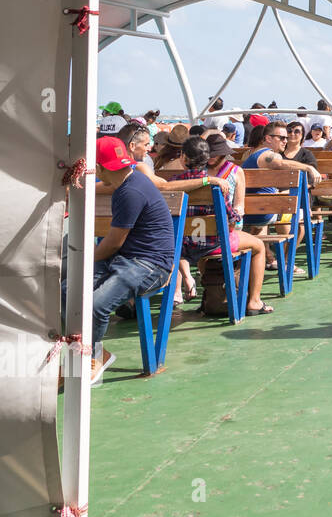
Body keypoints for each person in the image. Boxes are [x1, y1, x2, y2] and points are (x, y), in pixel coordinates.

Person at [82, 137, 177, 384]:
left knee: (95, 306)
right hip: (128, 259)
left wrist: (85, 261)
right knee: (68, 292)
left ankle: (92, 358)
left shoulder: (130, 191)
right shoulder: (128, 182)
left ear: (99, 168)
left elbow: (114, 242)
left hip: (151, 266)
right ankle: (79, 361)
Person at [168, 135, 272, 314]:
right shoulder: (216, 186)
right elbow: (231, 220)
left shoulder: (174, 184)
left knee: (202, 247)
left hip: (185, 246)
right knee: (259, 246)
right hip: (214, 244)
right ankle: (254, 301)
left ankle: (207, 296)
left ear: (183, 158)